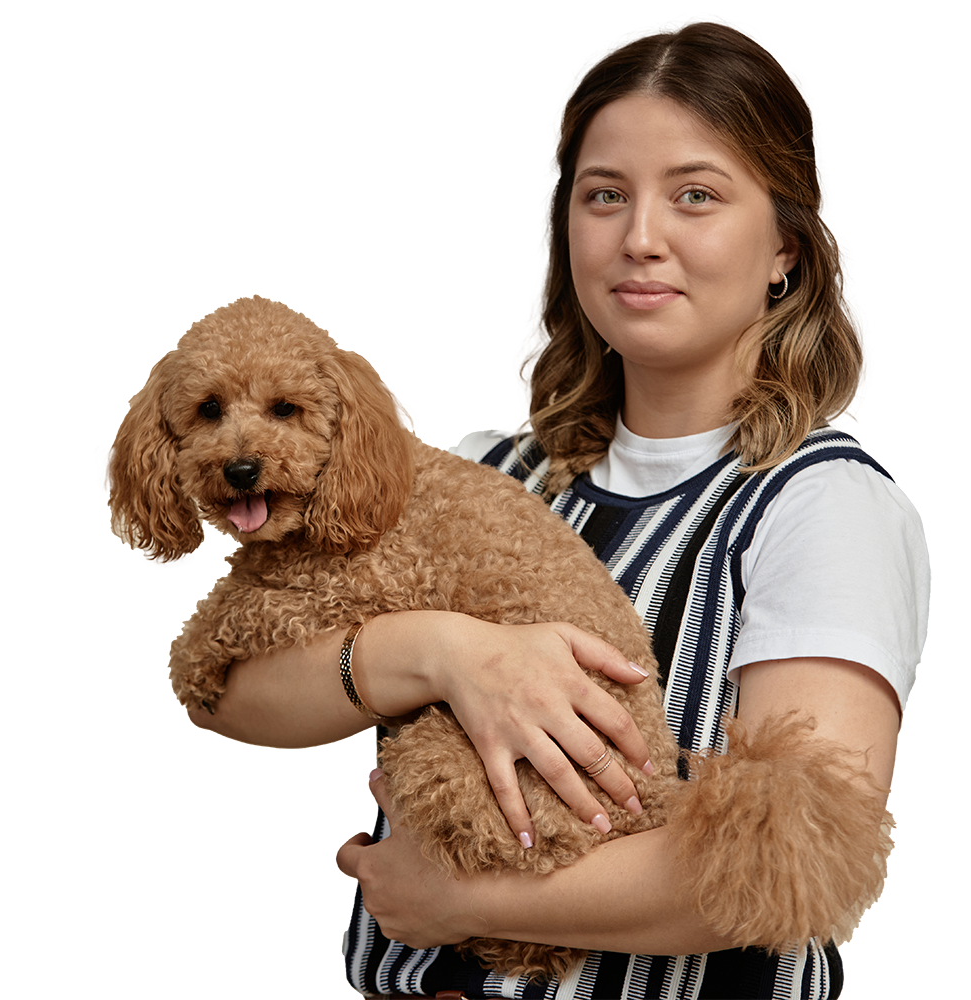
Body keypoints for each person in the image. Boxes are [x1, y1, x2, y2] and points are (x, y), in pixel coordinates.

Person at [189, 18, 929, 1000]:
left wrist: (464, 900)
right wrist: (440, 649)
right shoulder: (488, 469)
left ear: (783, 248)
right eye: (602, 196)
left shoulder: (820, 505)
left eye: (695, 196)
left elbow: (786, 867)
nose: (640, 239)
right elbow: (232, 693)